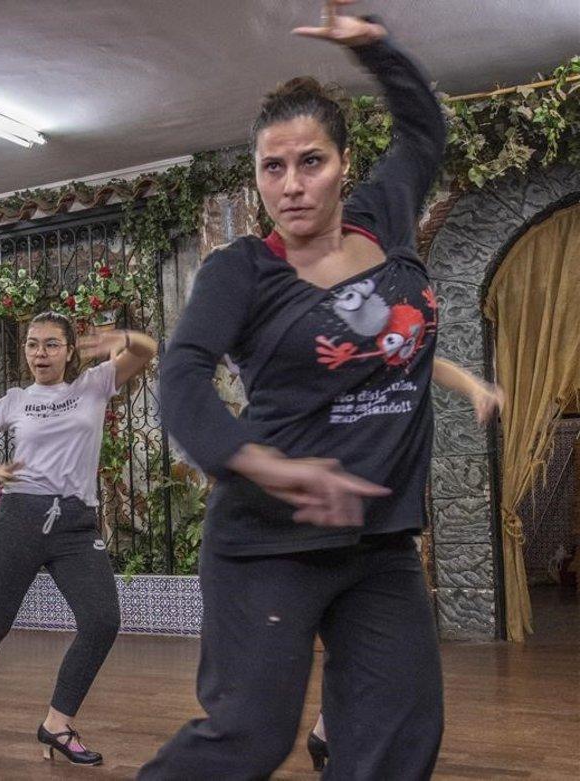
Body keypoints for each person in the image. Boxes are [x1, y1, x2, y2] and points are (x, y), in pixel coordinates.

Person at [142, 4, 450, 778]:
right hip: (266, 543)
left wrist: (379, 49)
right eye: (272, 168)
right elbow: (180, 380)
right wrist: (266, 465)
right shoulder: (240, 271)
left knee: (398, 736)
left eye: (309, 162)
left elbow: (424, 132)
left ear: (345, 163)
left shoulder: (385, 218)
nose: (291, 185)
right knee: (251, 735)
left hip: (379, 541)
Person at [0, 311, 157, 766]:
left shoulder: (93, 384)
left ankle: (57, 723)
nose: (40, 353)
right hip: (21, 517)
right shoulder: (15, 400)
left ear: (69, 350)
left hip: (74, 523)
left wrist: (122, 337)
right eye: (32, 344)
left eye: (51, 344)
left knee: (102, 620)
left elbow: (146, 351)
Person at [306, 360, 504, 771]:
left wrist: (475, 388)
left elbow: (429, 360)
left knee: (374, 647)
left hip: (382, 525)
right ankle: (329, 729)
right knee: (351, 643)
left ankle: (328, 730)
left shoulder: (393, 353)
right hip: (324, 521)